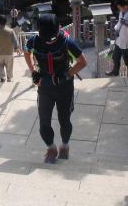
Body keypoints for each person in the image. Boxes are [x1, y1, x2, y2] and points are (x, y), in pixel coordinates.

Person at [24, 14, 88, 163]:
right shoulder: (34, 41)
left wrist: (67, 74)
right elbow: (27, 52)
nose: (48, 40)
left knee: (64, 120)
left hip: (64, 86)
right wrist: (33, 71)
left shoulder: (67, 41)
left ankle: (65, 145)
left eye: (51, 37)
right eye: (45, 37)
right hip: (44, 85)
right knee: (44, 122)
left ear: (58, 30)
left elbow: (82, 62)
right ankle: (51, 147)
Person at [105, 0, 128, 77]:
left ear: (125, 6)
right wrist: (116, 29)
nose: (120, 9)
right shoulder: (122, 12)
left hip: (127, 42)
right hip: (119, 39)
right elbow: (119, 23)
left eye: (120, 7)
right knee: (115, 57)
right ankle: (115, 71)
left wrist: (127, 24)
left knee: (127, 61)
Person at [0, 15, 21, 82]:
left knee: (0, 66)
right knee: (9, 67)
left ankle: (2, 77)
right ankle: (9, 78)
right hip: (9, 53)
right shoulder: (11, 31)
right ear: (6, 22)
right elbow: (15, 41)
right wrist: (17, 48)